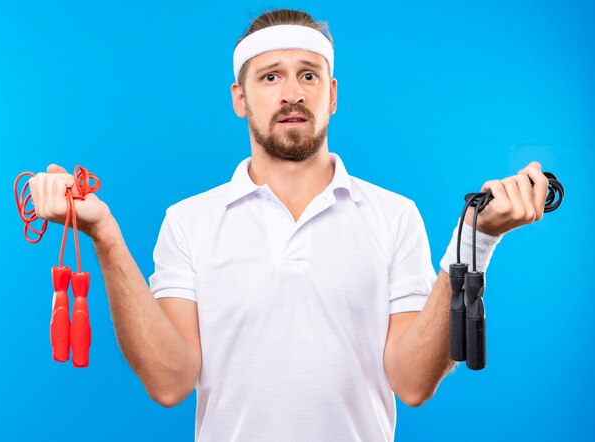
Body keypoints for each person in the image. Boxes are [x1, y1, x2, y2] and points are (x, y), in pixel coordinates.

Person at [28, 8, 550, 442]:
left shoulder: (394, 216)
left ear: (332, 93)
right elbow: (170, 383)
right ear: (240, 98)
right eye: (271, 76)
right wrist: (106, 236)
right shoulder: (188, 222)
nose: (292, 93)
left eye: (308, 75)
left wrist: (476, 239)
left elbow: (412, 384)